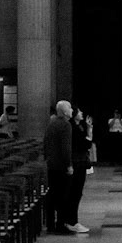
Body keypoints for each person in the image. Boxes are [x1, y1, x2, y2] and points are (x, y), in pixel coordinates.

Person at [43, 98, 74, 234]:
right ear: (65, 111)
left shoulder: (51, 123)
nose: (72, 110)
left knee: (52, 194)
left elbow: (45, 143)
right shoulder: (65, 125)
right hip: (61, 165)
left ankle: (50, 224)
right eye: (70, 108)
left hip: (51, 164)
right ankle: (60, 224)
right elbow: (65, 148)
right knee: (63, 196)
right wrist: (69, 164)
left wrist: (47, 158)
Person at [66, 105, 92, 234]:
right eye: (79, 111)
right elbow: (85, 144)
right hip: (77, 163)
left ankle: (72, 220)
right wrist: (89, 132)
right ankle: (72, 221)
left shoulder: (79, 126)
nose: (81, 113)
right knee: (75, 192)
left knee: (77, 193)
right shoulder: (73, 128)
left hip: (80, 161)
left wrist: (88, 129)